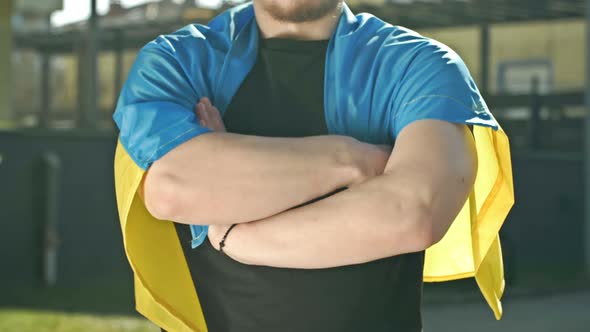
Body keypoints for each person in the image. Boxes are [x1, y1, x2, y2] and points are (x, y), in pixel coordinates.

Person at [113, 1, 514, 331]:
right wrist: (352, 159)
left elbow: (414, 212)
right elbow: (173, 189)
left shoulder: (417, 63)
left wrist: (233, 236)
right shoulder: (177, 61)